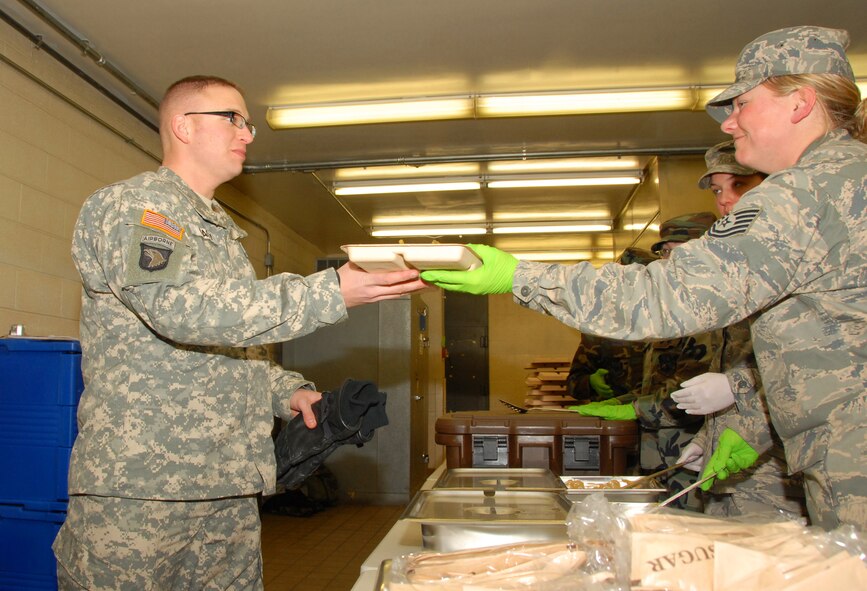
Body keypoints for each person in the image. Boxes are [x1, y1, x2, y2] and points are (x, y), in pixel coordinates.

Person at [421, 26, 867, 531]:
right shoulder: (848, 181)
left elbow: (667, 297)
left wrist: (518, 276)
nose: (730, 124)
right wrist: (748, 417)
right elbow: (839, 341)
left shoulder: (807, 192)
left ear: (800, 102)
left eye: (742, 104)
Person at [53, 75, 426, 590]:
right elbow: (177, 310)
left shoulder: (221, 231)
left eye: (248, 122)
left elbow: (227, 345)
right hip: (144, 489)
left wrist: (285, 391)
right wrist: (328, 292)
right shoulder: (139, 207)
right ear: (183, 126)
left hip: (226, 484)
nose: (247, 134)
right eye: (233, 118)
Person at [673, 142, 806, 520]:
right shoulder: (748, 264)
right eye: (718, 191)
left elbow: (829, 369)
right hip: (736, 475)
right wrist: (709, 435)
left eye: (740, 185)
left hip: (783, 479)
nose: (726, 202)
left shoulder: (804, 255)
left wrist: (739, 387)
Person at [575, 214, 723, 511]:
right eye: (663, 252)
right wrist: (619, 402)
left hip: (692, 454)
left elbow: (690, 391)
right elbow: (655, 384)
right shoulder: (671, 314)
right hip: (658, 456)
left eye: (673, 251)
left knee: (692, 536)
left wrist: (632, 409)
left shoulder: (711, 314)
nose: (664, 261)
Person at [565, 248, 656, 403]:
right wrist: (590, 382)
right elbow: (574, 383)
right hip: (613, 420)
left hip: (661, 418)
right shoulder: (600, 328)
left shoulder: (669, 324)